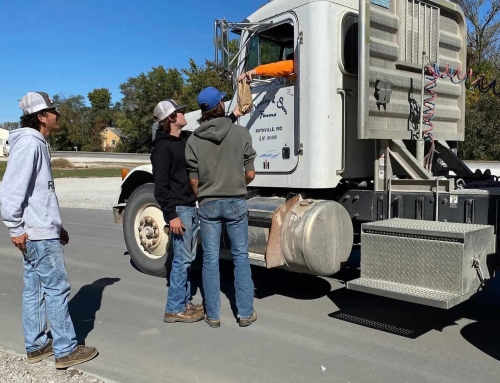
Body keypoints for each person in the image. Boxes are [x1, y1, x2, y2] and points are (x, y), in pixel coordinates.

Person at [0, 92, 98, 369]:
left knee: (35, 288)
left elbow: (38, 194)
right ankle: (65, 349)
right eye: (53, 111)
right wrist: (15, 227)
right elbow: (10, 190)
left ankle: (36, 345)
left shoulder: (36, 143)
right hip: (36, 233)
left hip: (40, 229)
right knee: (56, 288)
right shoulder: (30, 144)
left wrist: (58, 226)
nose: (58, 115)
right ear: (42, 116)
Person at [185, 87, 257, 328]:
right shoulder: (241, 133)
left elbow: (194, 181)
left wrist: (205, 196)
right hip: (236, 201)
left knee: (210, 260)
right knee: (240, 257)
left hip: (208, 204)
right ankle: (245, 313)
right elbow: (250, 173)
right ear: (221, 105)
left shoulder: (193, 140)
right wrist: (237, 183)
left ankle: (213, 315)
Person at [151, 99, 205, 323]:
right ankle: (174, 308)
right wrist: (171, 215)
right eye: (180, 112)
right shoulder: (162, 148)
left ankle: (184, 302)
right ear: (171, 118)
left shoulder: (184, 139)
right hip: (179, 211)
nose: (184, 114)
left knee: (187, 258)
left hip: (189, 207)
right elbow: (160, 188)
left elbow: (207, 133)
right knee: (182, 260)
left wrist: (232, 116)